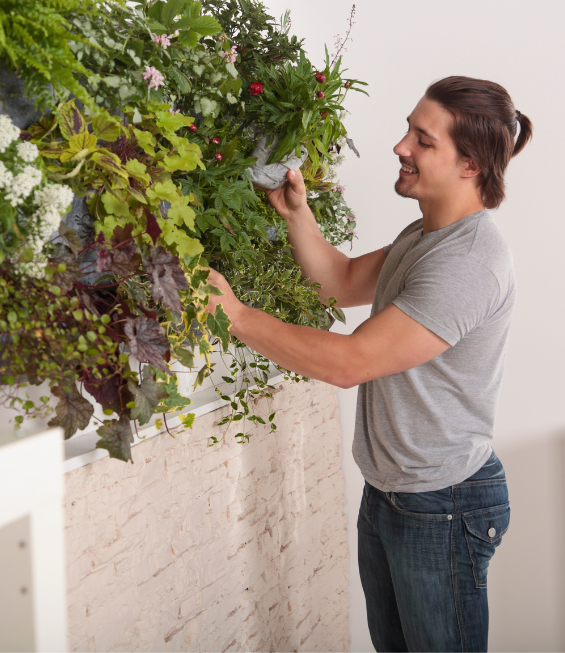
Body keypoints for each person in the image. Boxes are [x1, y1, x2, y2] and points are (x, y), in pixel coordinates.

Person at [204, 76, 533, 651]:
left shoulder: (469, 261)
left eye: (423, 140)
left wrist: (235, 315)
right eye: (409, 129)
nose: (401, 145)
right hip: (393, 494)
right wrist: (296, 212)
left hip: (443, 504)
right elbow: (342, 281)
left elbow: (352, 361)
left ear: (470, 164)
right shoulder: (425, 235)